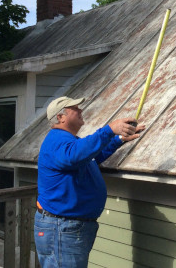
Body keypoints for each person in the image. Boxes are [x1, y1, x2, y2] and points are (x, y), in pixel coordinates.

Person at [34, 96, 144, 268]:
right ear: (60, 117)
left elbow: (91, 156)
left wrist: (119, 139)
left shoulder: (70, 142)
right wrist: (109, 130)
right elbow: (75, 155)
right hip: (62, 228)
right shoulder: (56, 140)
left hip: (69, 227)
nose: (80, 110)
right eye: (74, 109)